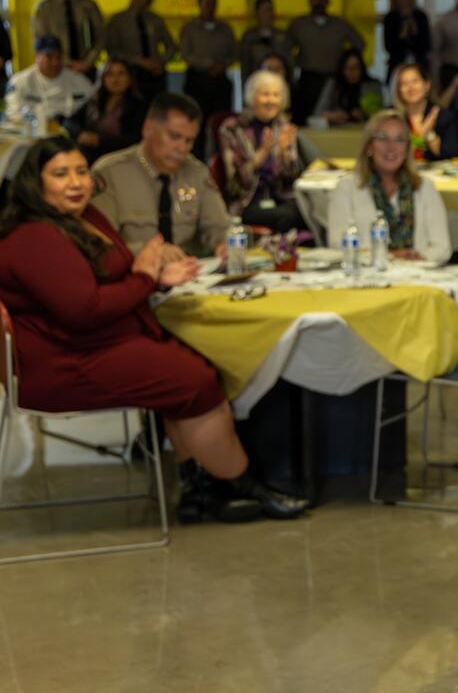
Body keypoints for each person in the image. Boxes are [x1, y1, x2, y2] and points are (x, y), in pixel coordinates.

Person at [0, 136, 307, 523]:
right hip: (63, 363)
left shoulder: (79, 218)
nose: (76, 183)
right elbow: (85, 309)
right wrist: (146, 278)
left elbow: (111, 276)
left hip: (91, 342)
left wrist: (156, 276)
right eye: (60, 174)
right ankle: (246, 485)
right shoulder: (35, 237)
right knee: (192, 379)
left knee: (190, 361)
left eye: (81, 171)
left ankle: (203, 489)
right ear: (35, 182)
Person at [92, 92, 229, 259]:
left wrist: (223, 245)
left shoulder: (196, 172)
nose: (182, 149)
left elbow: (219, 228)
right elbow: (99, 244)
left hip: (191, 275)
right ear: (148, 129)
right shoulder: (111, 173)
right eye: (175, 137)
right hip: (134, 275)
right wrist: (149, 253)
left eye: (189, 141)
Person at [327, 109, 451, 265]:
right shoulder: (347, 188)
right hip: (367, 278)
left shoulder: (425, 187)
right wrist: (389, 256)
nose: (391, 147)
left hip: (417, 275)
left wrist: (416, 258)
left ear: (407, 149)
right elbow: (337, 246)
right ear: (369, 146)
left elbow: (442, 248)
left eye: (399, 139)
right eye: (383, 138)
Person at [216, 70, 305, 233]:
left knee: (308, 211)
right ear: (252, 97)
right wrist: (262, 154)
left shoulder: (283, 127)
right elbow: (234, 184)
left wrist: (286, 154)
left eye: (276, 95)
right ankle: (283, 255)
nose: (271, 100)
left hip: (279, 199)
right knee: (289, 217)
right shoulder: (233, 128)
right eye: (265, 94)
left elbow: (292, 182)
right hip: (248, 202)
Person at [287, 0, 366, 126]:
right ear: (309, 0)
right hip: (308, 79)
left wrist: (346, 60)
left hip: (334, 79)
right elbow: (286, 48)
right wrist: (297, 61)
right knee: (305, 118)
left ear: (327, 0)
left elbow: (360, 44)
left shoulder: (340, 24)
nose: (317, 1)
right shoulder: (299, 24)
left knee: (334, 119)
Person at [179, 0, 237, 158]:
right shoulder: (190, 28)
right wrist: (208, 64)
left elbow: (234, 52)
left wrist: (222, 65)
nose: (210, 7)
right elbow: (185, 54)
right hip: (197, 80)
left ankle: (220, 157)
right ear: (200, 5)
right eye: (206, 3)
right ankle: (194, 158)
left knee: (221, 122)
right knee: (196, 122)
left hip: (220, 81)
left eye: (213, 3)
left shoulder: (225, 28)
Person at [64, 58, 147, 165]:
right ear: (103, 78)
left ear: (130, 78)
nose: (115, 79)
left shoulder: (138, 105)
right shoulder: (94, 101)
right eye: (110, 74)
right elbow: (69, 121)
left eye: (121, 74)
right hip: (91, 157)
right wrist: (80, 134)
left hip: (121, 160)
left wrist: (100, 140)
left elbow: (136, 140)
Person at [104, 0, 176, 101]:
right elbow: (112, 50)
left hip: (155, 76)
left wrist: (161, 62)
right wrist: (139, 61)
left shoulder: (155, 20)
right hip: (131, 76)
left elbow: (171, 46)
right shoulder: (118, 21)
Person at [32, 0, 104, 81]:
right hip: (56, 69)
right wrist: (64, 62)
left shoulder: (88, 5)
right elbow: (40, 40)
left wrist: (87, 62)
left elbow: (101, 36)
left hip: (87, 67)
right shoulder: (44, 8)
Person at [4, 35, 92, 128]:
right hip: (31, 133)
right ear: (36, 56)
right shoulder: (20, 82)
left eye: (58, 56)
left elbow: (94, 107)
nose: (55, 62)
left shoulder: (79, 81)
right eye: (49, 57)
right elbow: (13, 113)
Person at [392, 63, 458, 162]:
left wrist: (430, 137)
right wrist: (422, 134)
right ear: (398, 90)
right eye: (404, 83)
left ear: (427, 85)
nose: (410, 87)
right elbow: (392, 155)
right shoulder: (391, 117)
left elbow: (452, 156)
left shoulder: (443, 116)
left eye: (415, 81)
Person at [313, 47, 384, 126]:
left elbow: (381, 115)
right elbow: (318, 113)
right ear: (342, 69)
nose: (353, 72)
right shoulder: (334, 84)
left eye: (356, 67)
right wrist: (332, 116)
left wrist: (365, 114)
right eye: (349, 68)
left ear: (362, 68)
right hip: (337, 132)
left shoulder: (372, 85)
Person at [383, 0, 431, 78]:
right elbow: (389, 47)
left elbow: (426, 46)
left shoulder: (420, 16)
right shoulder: (390, 18)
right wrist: (402, 35)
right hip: (397, 66)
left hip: (419, 65)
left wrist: (415, 32)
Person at [240, 0, 293, 82]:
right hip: (258, 83)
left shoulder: (283, 35)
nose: (270, 14)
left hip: (280, 83)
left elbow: (290, 62)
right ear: (257, 12)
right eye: (266, 10)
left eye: (271, 10)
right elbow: (245, 65)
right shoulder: (250, 36)